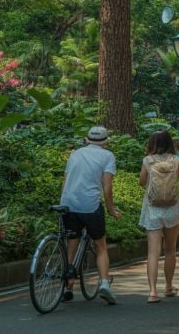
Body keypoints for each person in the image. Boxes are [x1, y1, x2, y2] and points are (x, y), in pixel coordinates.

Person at [59, 126, 122, 304]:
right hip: (90, 205)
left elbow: (66, 181)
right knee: (100, 245)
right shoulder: (107, 156)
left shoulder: (75, 154)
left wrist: (64, 204)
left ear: (87, 140)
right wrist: (111, 209)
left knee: (71, 243)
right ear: (106, 142)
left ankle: (68, 286)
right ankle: (104, 283)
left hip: (68, 203)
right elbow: (107, 188)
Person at [138, 130, 179, 303]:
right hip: (172, 207)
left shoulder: (147, 160)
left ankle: (152, 292)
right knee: (170, 250)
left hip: (152, 208)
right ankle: (169, 286)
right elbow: (177, 177)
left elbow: (142, 181)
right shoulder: (176, 160)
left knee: (153, 252)